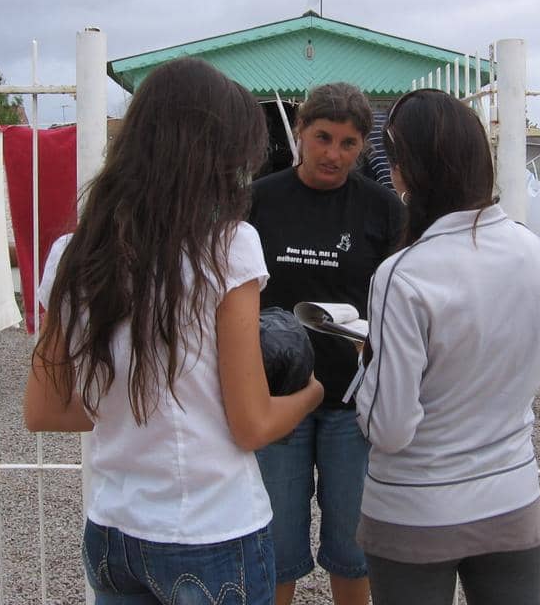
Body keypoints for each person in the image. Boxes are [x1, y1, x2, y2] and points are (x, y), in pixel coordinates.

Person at [23, 57, 324, 605]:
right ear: (211, 156)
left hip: (113, 531)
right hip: (210, 528)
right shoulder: (227, 247)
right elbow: (252, 424)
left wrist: (132, 412)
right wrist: (311, 394)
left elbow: (43, 409)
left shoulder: (72, 254)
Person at [354, 89, 540, 605]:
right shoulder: (534, 252)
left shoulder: (401, 274)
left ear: (405, 166)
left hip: (415, 508)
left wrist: (365, 365)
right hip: (511, 496)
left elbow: (389, 426)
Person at [249, 82, 403, 605]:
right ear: (299, 133)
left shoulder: (383, 209)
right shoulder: (258, 199)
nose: (333, 154)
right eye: (322, 138)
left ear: (364, 147)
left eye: (347, 144)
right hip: (275, 400)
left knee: (354, 547)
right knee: (272, 543)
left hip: (353, 402)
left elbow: (401, 298)